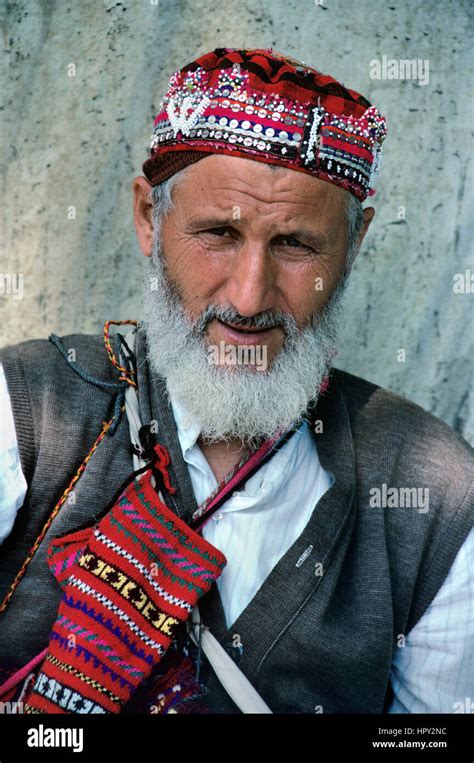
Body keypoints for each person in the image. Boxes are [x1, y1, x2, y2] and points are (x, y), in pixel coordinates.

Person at [0, 47, 472, 715]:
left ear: (354, 244)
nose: (250, 299)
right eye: (218, 233)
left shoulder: (439, 499)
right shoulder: (26, 411)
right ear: (148, 219)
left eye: (295, 244)